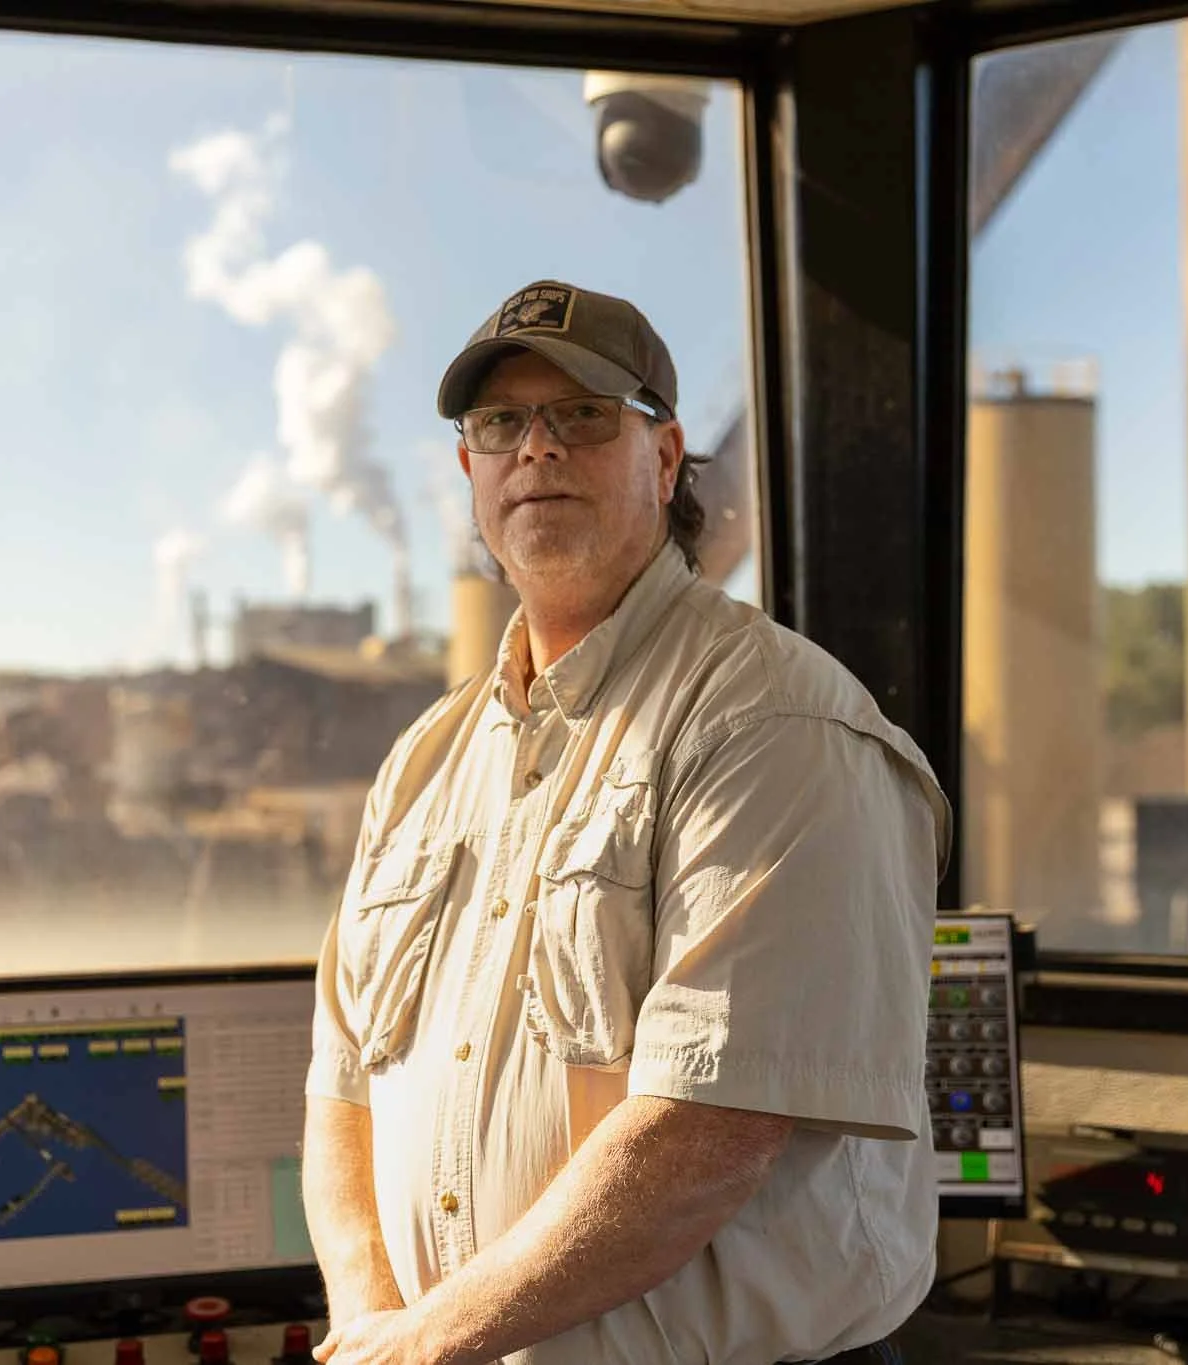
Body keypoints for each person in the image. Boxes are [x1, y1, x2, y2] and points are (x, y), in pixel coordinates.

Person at [302, 280, 951, 1365]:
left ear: (663, 457)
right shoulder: (422, 763)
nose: (536, 450)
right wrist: (376, 1326)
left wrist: (425, 1347)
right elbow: (343, 1090)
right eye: (501, 423)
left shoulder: (771, 719)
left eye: (583, 415)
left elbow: (709, 1127)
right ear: (469, 472)